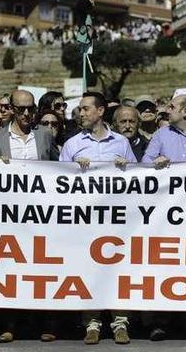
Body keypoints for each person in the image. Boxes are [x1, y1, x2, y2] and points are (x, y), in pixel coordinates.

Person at [59, 92, 134, 345]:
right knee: (88, 268)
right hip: (85, 219)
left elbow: (138, 180)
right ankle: (91, 323)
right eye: (79, 109)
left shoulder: (122, 143)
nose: (81, 113)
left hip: (116, 219)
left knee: (117, 268)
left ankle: (120, 322)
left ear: (101, 111)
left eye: (86, 109)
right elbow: (57, 182)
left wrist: (127, 167)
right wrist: (72, 170)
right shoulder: (72, 145)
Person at [0, 90, 58, 162]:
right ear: (11, 109)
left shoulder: (45, 134)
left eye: (30, 109)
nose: (26, 113)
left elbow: (57, 164)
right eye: (21, 109)